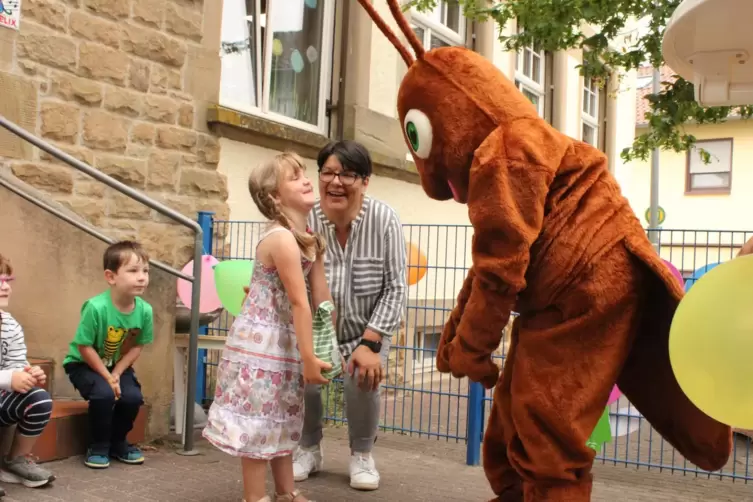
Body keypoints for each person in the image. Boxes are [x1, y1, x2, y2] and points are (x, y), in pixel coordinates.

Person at [203, 152, 332, 502]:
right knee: (258, 419)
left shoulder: (308, 238)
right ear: (274, 197)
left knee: (282, 415)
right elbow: (298, 301)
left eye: (304, 173)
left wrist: (326, 337)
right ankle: (255, 498)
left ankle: (286, 492)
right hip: (262, 343)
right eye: (294, 176)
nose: (306, 179)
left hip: (282, 340)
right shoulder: (281, 239)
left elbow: (319, 297)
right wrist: (308, 356)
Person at [293, 140, 408, 492]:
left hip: (367, 328)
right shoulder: (305, 220)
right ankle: (309, 448)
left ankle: (362, 454)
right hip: (318, 328)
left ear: (365, 181)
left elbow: (396, 288)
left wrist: (370, 343)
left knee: (363, 377)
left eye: (347, 174)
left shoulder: (385, 219)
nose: (335, 182)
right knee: (308, 380)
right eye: (327, 172)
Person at [63, 241, 153, 469]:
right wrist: (108, 377)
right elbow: (84, 347)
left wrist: (117, 373)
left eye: (145, 271)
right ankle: (99, 444)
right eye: (133, 271)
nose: (142, 277)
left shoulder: (145, 310)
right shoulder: (95, 308)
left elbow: (137, 346)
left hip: (116, 365)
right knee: (104, 395)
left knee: (131, 397)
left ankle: (119, 442)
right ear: (111, 277)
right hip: (83, 364)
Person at [0, 254, 55, 490]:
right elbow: (7, 377)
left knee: (39, 399)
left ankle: (15, 460)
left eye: (7, 280)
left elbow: (15, 364)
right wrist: (8, 379)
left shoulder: (9, 325)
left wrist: (28, 375)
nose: (5, 287)